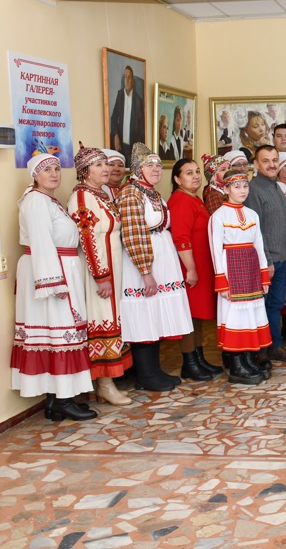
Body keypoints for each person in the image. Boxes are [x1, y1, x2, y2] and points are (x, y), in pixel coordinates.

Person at [12, 153, 97, 421]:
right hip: (50, 274)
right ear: (35, 175)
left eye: (57, 169)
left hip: (62, 269)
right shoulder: (35, 201)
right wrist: (53, 282)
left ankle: (59, 400)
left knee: (58, 334)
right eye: (47, 170)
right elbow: (41, 243)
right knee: (58, 333)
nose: (54, 174)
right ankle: (61, 399)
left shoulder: (48, 201)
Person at [118, 143, 194, 392]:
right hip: (142, 263)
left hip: (161, 256)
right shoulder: (131, 194)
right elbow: (132, 235)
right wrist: (145, 271)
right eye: (150, 165)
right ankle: (146, 375)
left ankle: (154, 370)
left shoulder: (151, 192)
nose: (156, 169)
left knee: (156, 315)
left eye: (159, 165)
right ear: (138, 169)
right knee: (144, 316)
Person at [68, 145, 133, 406]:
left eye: (105, 164)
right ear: (84, 171)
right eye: (98, 165)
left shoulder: (101, 194)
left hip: (113, 265)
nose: (105, 169)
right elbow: (87, 238)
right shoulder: (82, 197)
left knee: (112, 317)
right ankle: (104, 384)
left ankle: (108, 382)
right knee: (101, 317)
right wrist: (100, 275)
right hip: (100, 269)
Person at [209, 171, 273, 385]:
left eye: (245, 186)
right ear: (226, 189)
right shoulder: (218, 216)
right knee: (235, 316)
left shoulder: (253, 215)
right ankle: (236, 361)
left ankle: (248, 358)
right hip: (232, 271)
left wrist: (264, 276)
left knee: (252, 315)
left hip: (251, 269)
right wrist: (221, 280)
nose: (242, 190)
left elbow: (259, 247)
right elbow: (216, 252)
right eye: (236, 187)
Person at [167, 158, 222, 381]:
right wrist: (190, 269)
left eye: (197, 171)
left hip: (200, 265)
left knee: (197, 315)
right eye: (189, 173)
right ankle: (189, 363)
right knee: (189, 315)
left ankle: (199, 358)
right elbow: (181, 238)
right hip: (189, 266)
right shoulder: (180, 201)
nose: (196, 176)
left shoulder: (194, 198)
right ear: (177, 179)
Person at [245, 144, 286, 364]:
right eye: (266, 161)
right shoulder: (253, 190)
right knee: (262, 306)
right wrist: (267, 261)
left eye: (274, 160)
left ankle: (274, 345)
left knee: (275, 305)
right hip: (267, 261)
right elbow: (256, 230)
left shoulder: (276, 187)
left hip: (281, 257)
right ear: (255, 164)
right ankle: (260, 350)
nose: (272, 164)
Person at [109, 65, 145, 163]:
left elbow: (142, 129)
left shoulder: (138, 101)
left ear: (132, 80)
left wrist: (139, 150)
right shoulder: (120, 95)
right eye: (125, 77)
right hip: (120, 146)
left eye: (129, 77)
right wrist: (115, 136)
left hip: (133, 149)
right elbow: (113, 119)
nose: (127, 80)